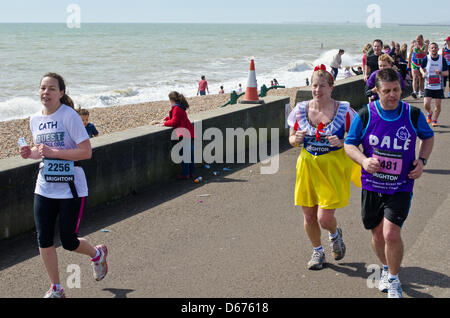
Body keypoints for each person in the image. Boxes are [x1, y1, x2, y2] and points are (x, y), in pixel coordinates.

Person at [344, 68, 434, 298]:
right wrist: (364, 161)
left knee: (391, 234)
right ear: (377, 91)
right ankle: (385, 267)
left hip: (401, 185)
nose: (393, 95)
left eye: (396, 90)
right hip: (372, 186)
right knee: (376, 235)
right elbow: (349, 144)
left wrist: (422, 161)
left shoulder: (412, 115)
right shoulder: (365, 115)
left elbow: (428, 137)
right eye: (387, 91)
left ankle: (393, 279)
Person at [18, 73, 108, 298]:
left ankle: (97, 255)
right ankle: (56, 288)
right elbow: (42, 152)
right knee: (44, 238)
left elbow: (86, 152)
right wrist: (30, 153)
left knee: (68, 241)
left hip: (71, 187)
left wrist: (55, 152)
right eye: (42, 88)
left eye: (51, 88)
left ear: (61, 93)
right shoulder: (34, 119)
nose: (45, 93)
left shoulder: (70, 116)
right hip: (44, 186)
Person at [287, 64, 360, 271]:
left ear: (331, 88)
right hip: (307, 166)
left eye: (322, 86)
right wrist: (296, 139)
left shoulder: (345, 111)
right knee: (309, 216)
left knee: (324, 218)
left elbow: (356, 140)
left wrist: (343, 142)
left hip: (333, 168)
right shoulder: (301, 110)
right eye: (314, 85)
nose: (317, 90)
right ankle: (317, 251)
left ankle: (335, 234)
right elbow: (292, 139)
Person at [164, 91, 195, 179]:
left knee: (184, 155)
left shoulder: (176, 107)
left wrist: (164, 123)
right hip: (189, 132)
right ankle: (191, 173)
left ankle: (185, 174)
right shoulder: (180, 107)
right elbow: (177, 117)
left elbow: (174, 121)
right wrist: (166, 119)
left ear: (171, 100)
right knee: (190, 154)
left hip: (183, 133)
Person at [420, 42, 449, 127]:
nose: (434, 49)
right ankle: (429, 112)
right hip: (428, 85)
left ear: (438, 49)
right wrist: (423, 73)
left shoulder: (442, 59)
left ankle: (435, 120)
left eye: (435, 48)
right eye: (432, 48)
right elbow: (421, 68)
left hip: (438, 86)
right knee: (426, 104)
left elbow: (447, 73)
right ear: (429, 49)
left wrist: (439, 72)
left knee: (438, 105)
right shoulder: (427, 58)